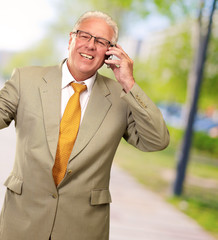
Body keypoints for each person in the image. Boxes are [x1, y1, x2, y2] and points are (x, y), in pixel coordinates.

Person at [0, 10, 169, 240]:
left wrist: (129, 82)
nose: (90, 45)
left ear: (111, 52)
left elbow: (157, 140)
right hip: (23, 222)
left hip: (83, 228)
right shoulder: (24, 79)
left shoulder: (122, 96)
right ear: (71, 39)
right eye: (84, 36)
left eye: (101, 41)